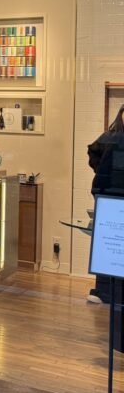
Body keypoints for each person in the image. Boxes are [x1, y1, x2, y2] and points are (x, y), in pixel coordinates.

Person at [87, 105, 124, 304]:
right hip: (108, 195)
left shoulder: (109, 138)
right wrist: (102, 171)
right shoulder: (108, 137)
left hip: (110, 194)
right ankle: (103, 290)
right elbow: (93, 154)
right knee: (106, 242)